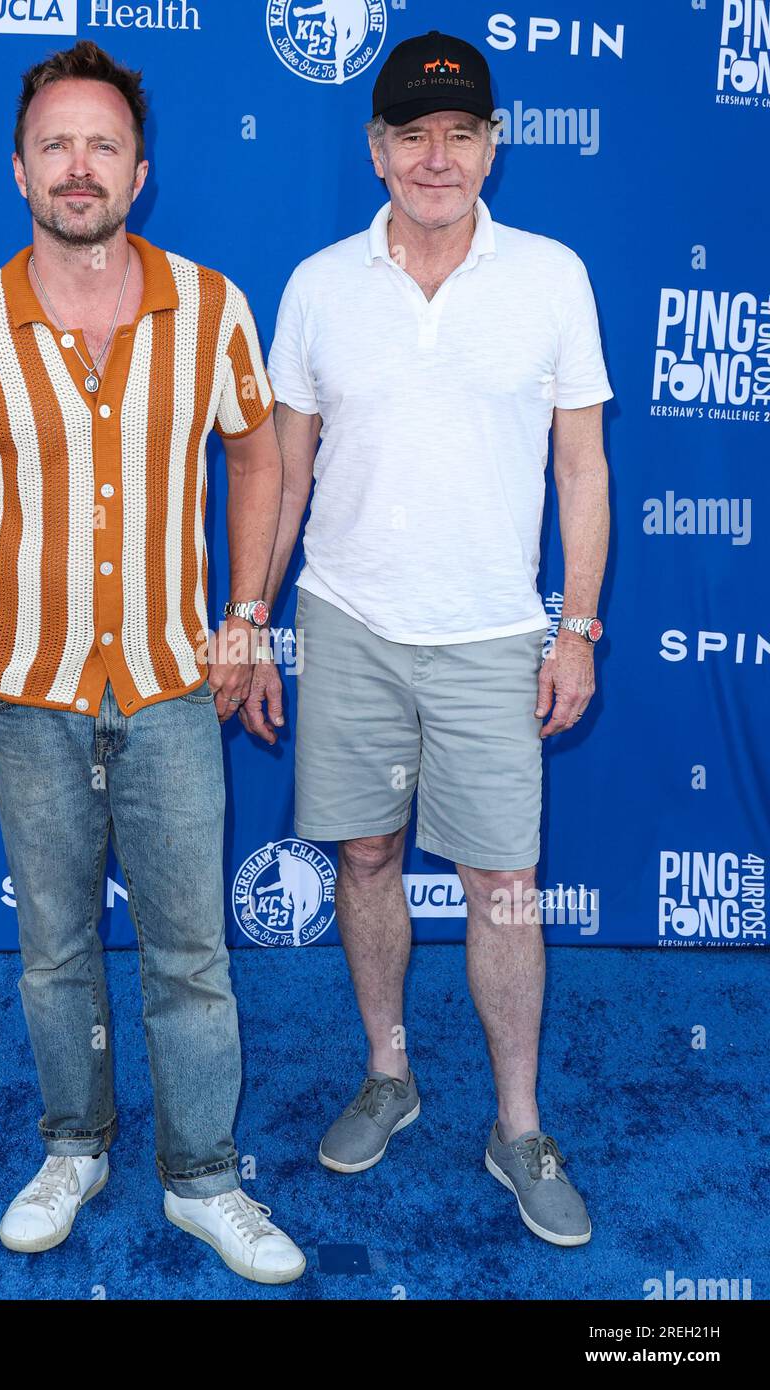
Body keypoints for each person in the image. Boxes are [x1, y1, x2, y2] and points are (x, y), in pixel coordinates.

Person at [0, 40, 304, 1284]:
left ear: (142, 170)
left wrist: (243, 608)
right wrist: (0, 606)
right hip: (29, 696)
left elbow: (257, 457)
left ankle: (202, 1177)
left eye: (104, 146)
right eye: (58, 145)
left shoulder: (210, 308)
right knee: (56, 949)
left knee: (190, 947)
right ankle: (72, 1143)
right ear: (19, 166)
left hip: (176, 685)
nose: (81, 167)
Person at [245, 29, 613, 1247]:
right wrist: (248, 617)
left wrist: (576, 628)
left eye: (459, 133)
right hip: (345, 620)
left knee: (503, 888)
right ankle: (389, 1070)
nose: (436, 156)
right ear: (375, 148)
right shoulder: (314, 285)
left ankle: (516, 1125)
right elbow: (284, 476)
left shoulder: (552, 276)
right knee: (362, 858)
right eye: (411, 133)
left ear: (492, 144)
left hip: (497, 633)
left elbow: (580, 466)